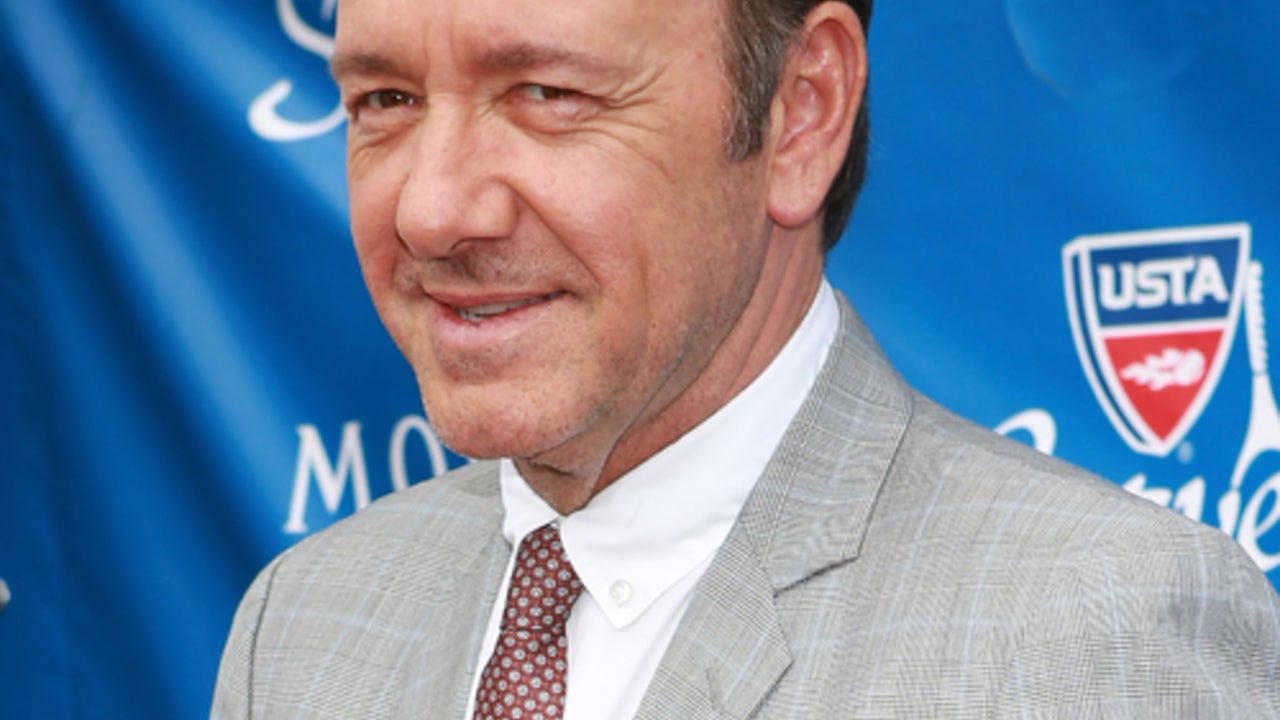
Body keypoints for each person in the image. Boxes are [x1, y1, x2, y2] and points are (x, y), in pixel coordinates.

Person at [213, 0, 1280, 716]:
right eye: (385, 102)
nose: (434, 210)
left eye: (546, 93)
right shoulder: (300, 628)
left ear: (800, 112)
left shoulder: (1095, 637)